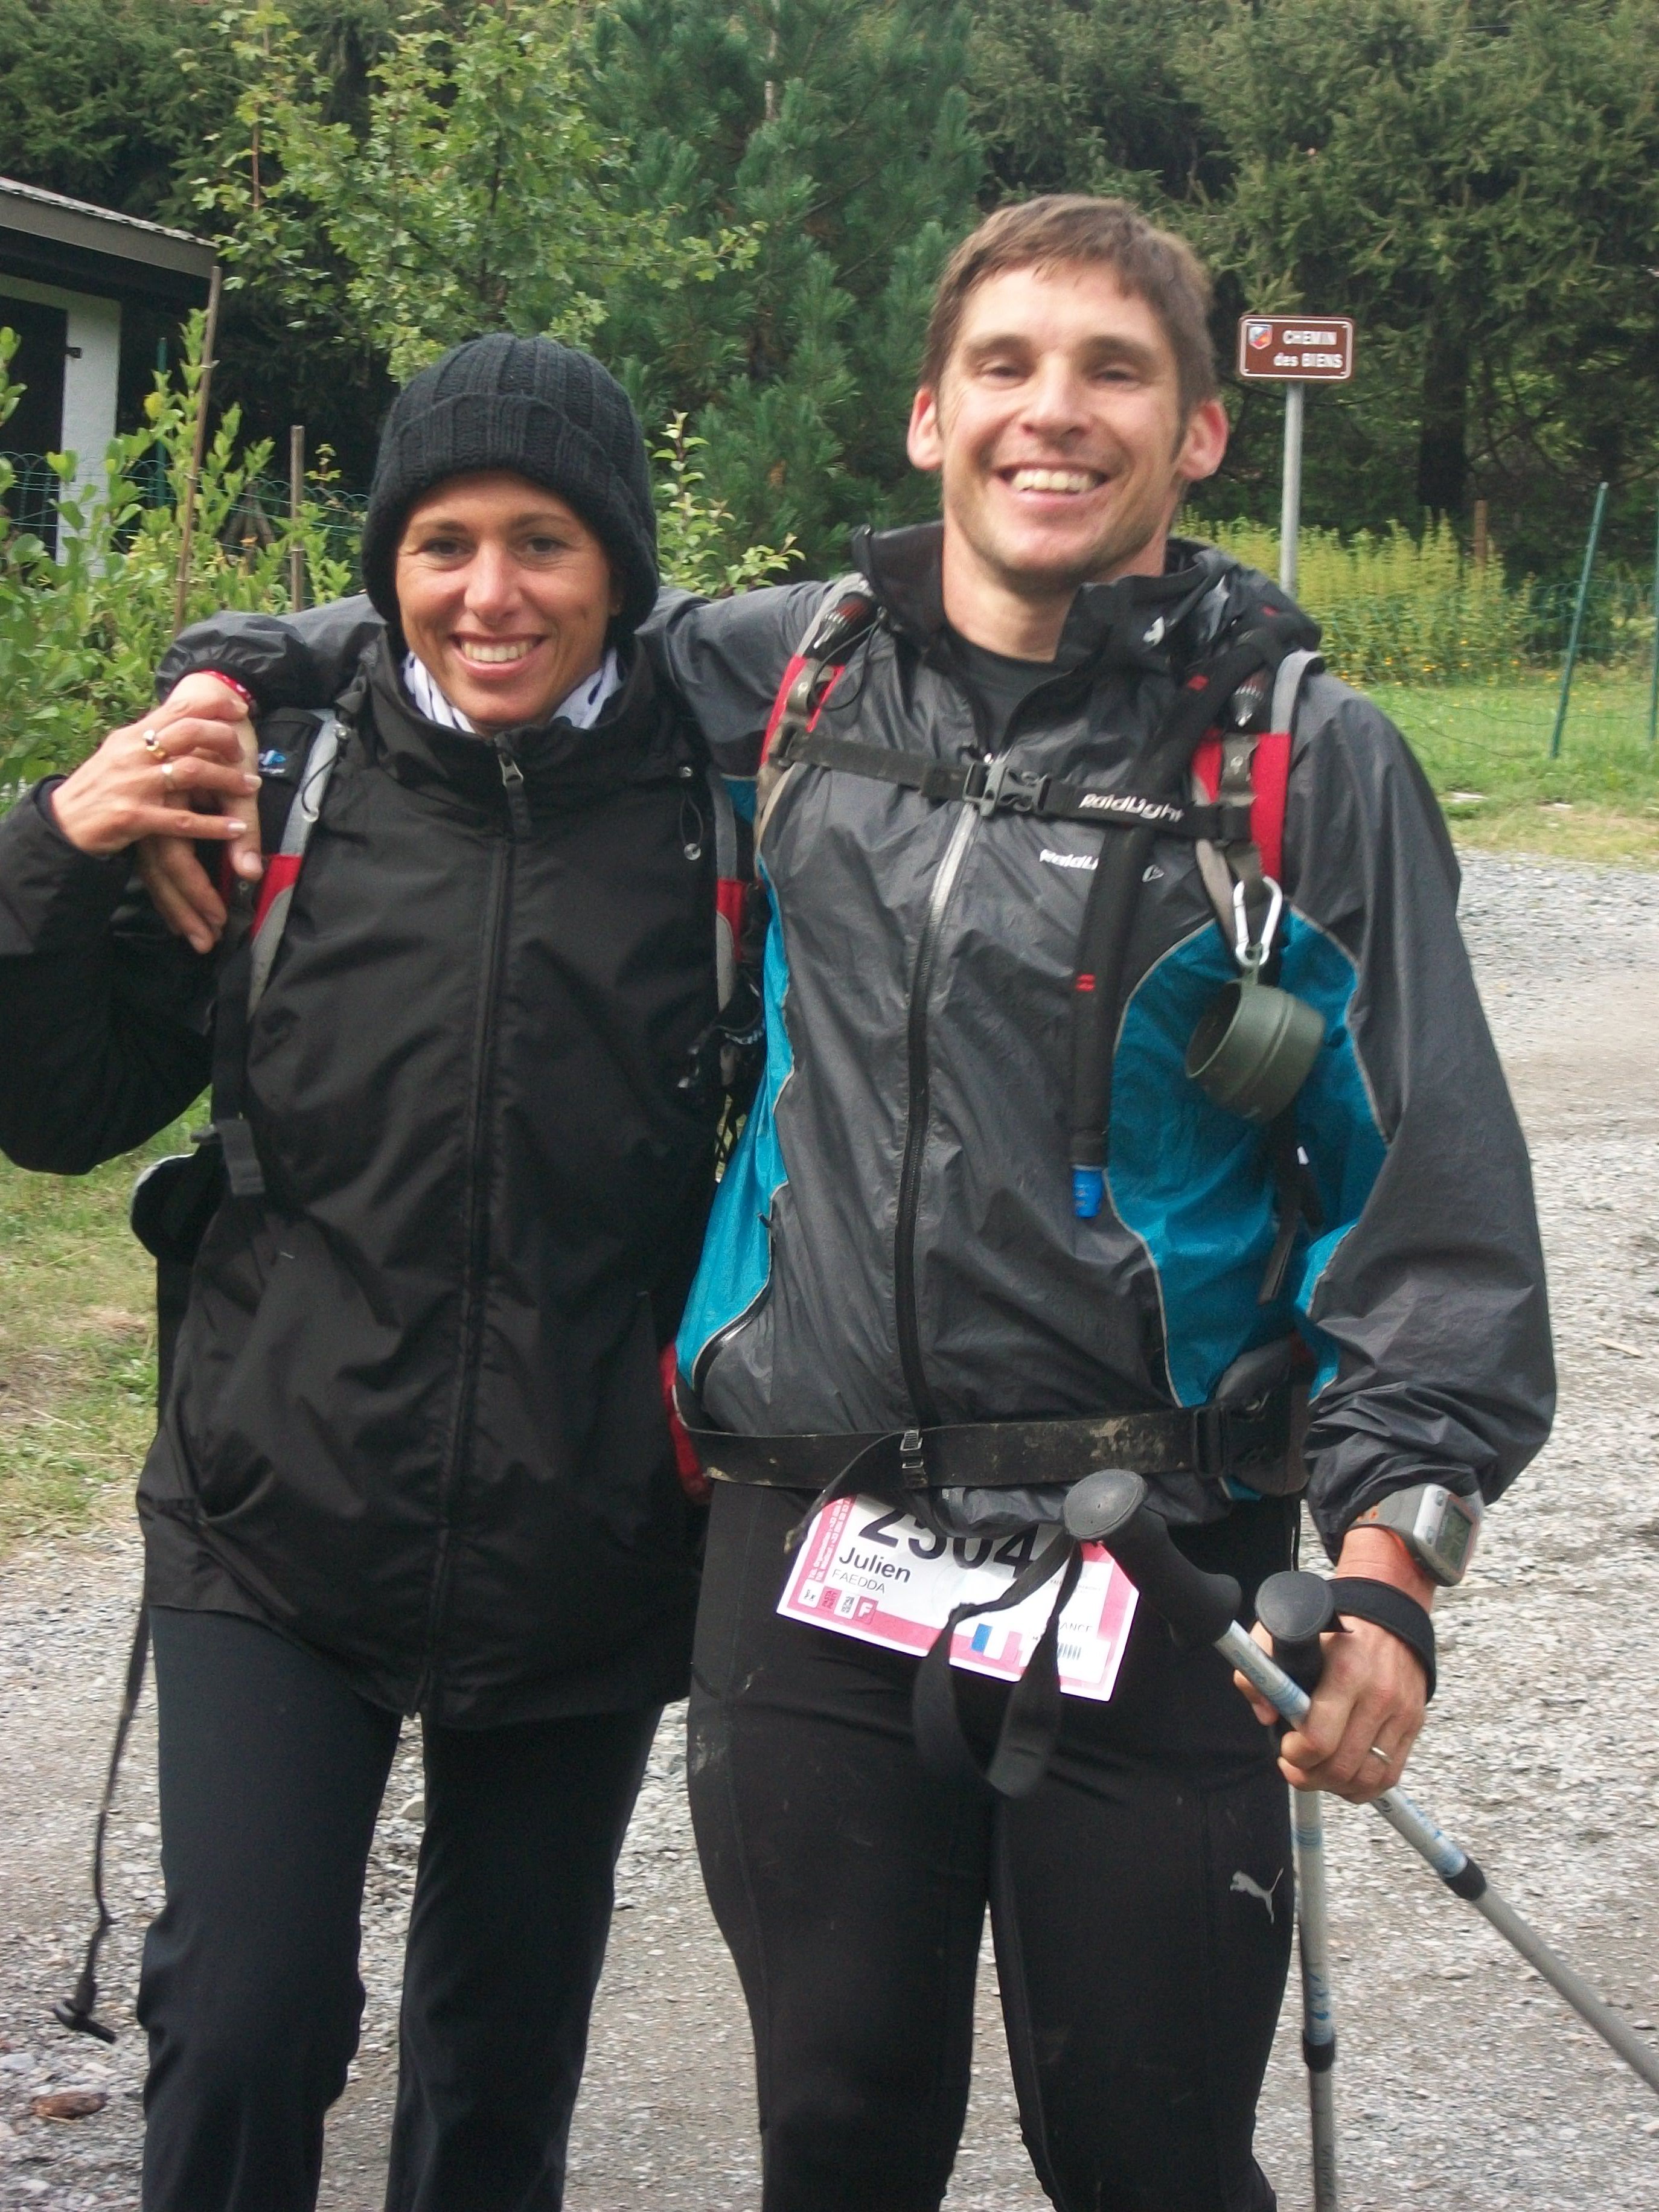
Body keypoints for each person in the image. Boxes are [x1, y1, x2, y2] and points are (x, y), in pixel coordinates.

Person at [147, 197, 1554, 2212]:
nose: (1049, 412)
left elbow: (1427, 1200)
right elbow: (509, 622)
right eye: (1004, 365)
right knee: (829, 2139)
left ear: (1199, 432)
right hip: (813, 1549)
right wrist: (222, 676)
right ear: (926, 415)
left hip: (1155, 1550)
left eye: (1111, 370)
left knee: (1148, 2155)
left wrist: (1392, 1567)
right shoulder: (786, 673)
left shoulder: (1303, 769)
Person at [0, 334, 724, 2212]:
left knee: (497, 2068)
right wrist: (52, 848)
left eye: (545, 543)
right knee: (241, 2028)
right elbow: (57, 1113)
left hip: (586, 1535)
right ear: (386, 563)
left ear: (619, 569)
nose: (491, 594)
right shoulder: (277, 778)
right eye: (442, 544)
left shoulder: (709, 807)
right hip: (276, 1516)